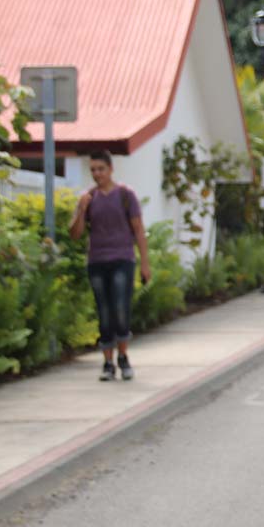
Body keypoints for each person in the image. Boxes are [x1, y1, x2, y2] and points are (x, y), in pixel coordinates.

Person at [69, 150, 151, 382]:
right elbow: (75, 234)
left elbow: (138, 230)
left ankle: (123, 357)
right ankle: (107, 362)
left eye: (101, 169)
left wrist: (145, 262)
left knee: (120, 308)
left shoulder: (126, 195)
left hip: (123, 259)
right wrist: (81, 209)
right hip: (97, 261)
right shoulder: (88, 198)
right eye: (93, 170)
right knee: (103, 311)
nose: (97, 174)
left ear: (110, 169)